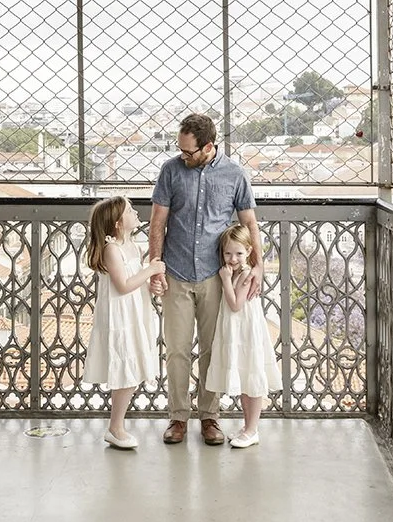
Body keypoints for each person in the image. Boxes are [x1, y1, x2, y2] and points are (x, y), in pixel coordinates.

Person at [149, 112, 262, 446]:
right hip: (176, 272)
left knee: (213, 349)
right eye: (180, 149)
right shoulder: (170, 171)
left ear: (209, 146)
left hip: (217, 276)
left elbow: (250, 223)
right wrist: (157, 266)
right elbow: (157, 224)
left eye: (189, 151)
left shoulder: (235, 174)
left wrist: (258, 265)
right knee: (177, 350)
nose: (182, 155)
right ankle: (178, 417)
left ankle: (210, 416)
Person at [81, 195, 164, 450]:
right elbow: (123, 285)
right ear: (118, 223)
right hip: (120, 315)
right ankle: (115, 427)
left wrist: (150, 285)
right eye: (130, 210)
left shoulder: (131, 246)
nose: (135, 212)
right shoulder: (112, 249)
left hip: (134, 312)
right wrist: (151, 270)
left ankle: (116, 426)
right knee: (125, 369)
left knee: (132, 368)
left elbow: (135, 279)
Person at [206, 224, 282, 448]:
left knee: (252, 379)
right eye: (228, 253)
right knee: (244, 377)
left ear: (249, 251)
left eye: (238, 253)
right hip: (237, 332)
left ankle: (252, 430)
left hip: (246, 332)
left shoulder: (246, 275)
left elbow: (235, 304)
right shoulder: (236, 272)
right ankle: (247, 427)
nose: (232, 259)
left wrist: (225, 280)